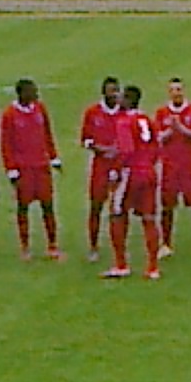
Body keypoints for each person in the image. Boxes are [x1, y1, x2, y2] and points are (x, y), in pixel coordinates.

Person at [103, 85, 163, 280]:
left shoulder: (123, 122)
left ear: (128, 100)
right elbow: (157, 145)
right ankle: (153, 267)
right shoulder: (146, 119)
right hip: (149, 172)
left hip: (131, 174)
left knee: (117, 214)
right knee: (149, 218)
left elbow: (126, 150)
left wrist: (115, 170)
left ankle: (121, 264)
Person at [0, 77, 62, 261]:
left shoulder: (40, 109)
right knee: (23, 207)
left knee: (48, 206)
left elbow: (47, 134)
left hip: (41, 165)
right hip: (23, 167)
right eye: (32, 91)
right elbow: (6, 144)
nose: (36, 94)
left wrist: (54, 157)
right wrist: (11, 169)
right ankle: (25, 246)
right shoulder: (10, 114)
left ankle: (52, 245)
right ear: (22, 93)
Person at [157, 77, 191, 260]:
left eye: (179, 89)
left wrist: (181, 127)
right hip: (169, 166)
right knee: (167, 206)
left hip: (189, 165)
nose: (176, 93)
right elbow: (158, 138)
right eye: (173, 90)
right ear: (169, 92)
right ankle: (165, 244)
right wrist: (170, 131)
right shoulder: (162, 112)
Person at [79, 76, 123, 262]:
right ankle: (93, 246)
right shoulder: (92, 112)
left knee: (119, 208)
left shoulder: (125, 112)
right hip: (100, 165)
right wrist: (102, 149)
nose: (114, 94)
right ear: (103, 92)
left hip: (121, 164)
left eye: (116, 90)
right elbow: (86, 139)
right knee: (96, 205)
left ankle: (119, 247)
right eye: (110, 90)